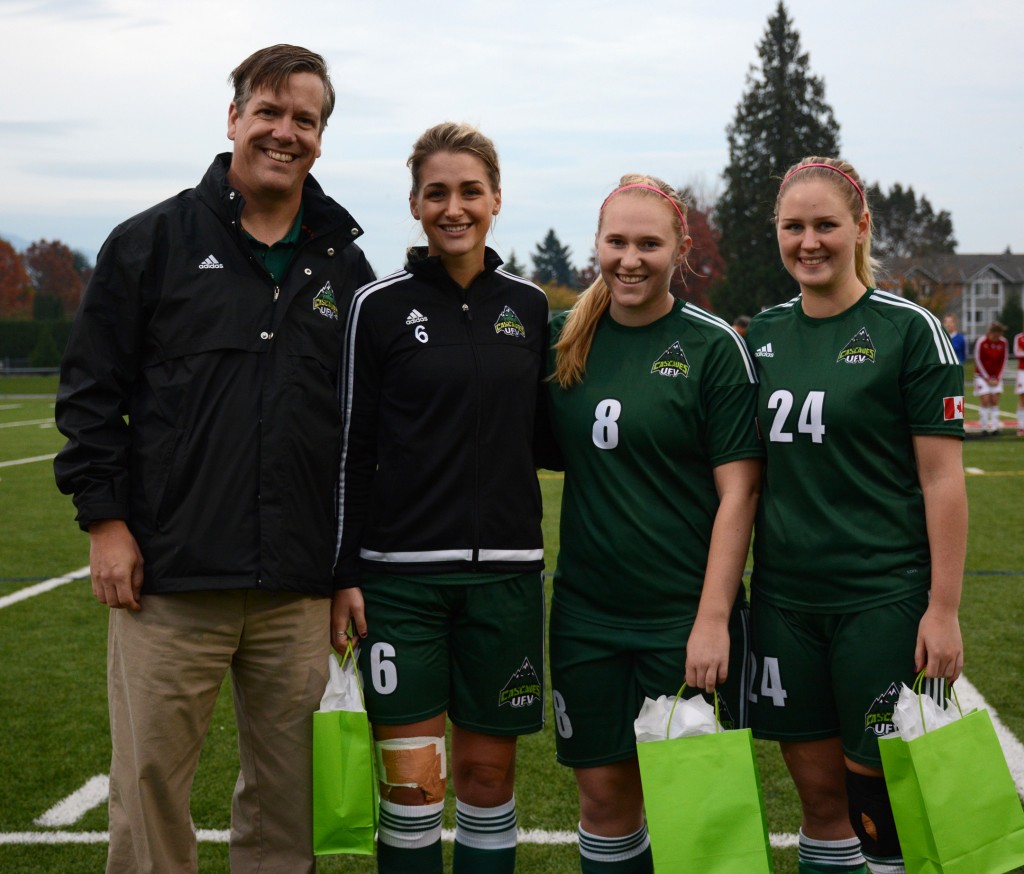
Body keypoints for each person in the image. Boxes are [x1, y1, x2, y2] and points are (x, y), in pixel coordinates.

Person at [53, 45, 374, 873]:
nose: (284, 131)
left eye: (305, 119)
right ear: (233, 118)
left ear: (320, 137)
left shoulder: (344, 262)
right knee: (152, 787)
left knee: (287, 800)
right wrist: (107, 522)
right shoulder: (148, 243)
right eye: (268, 112)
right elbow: (91, 396)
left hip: (295, 589)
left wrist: (344, 570)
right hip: (170, 576)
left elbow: (360, 433)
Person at [331, 122, 548, 874]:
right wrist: (345, 573)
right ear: (416, 204)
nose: (453, 207)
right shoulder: (378, 306)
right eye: (437, 193)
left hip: (506, 581)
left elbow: (550, 436)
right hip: (403, 584)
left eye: (469, 191)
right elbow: (351, 446)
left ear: (495, 199)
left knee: (489, 782)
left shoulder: (530, 305)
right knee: (414, 789)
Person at [746, 157, 967, 874]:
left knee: (883, 806)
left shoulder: (910, 331)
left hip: (882, 598)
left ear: (860, 228)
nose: (809, 242)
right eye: (793, 227)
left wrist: (944, 608)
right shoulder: (763, 337)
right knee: (818, 801)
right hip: (786, 601)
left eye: (825, 226)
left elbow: (942, 480)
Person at [544, 175, 763, 873]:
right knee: (604, 804)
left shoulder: (711, 347)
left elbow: (741, 495)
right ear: (597, 246)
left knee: (692, 813)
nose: (629, 259)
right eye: (616, 241)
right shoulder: (564, 341)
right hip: (585, 617)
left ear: (681, 250)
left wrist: (712, 620)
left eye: (648, 243)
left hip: (682, 618)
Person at [973, 319, 1008, 434]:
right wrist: (987, 378)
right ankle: (984, 427)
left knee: (994, 400)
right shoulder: (981, 342)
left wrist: (997, 377)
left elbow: (1003, 360)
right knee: (985, 400)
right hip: (982, 377)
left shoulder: (1003, 343)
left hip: (996, 378)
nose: (996, 336)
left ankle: (995, 427)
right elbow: (978, 360)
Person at [1014, 328, 1024, 436]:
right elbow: (1017, 353)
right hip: (1022, 372)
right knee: (1022, 399)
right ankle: (1021, 426)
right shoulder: (1019, 337)